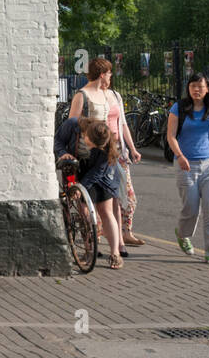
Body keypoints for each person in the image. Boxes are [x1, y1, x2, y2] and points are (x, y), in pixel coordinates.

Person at [67, 57, 143, 251]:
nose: (111, 76)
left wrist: (131, 148)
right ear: (102, 74)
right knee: (90, 200)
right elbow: (72, 124)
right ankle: (93, 243)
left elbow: (121, 123)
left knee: (118, 197)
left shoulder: (114, 96)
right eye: (109, 73)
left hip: (113, 151)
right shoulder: (83, 95)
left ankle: (119, 243)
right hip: (89, 153)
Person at [167, 72, 209, 265]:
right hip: (186, 165)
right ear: (189, 88)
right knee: (191, 209)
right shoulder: (179, 108)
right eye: (193, 86)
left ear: (208, 89)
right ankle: (183, 234)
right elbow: (171, 137)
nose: (196, 90)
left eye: (200, 87)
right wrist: (180, 156)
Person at [54, 114, 124, 268]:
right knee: (84, 212)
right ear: (86, 133)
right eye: (91, 144)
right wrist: (62, 153)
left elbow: (98, 172)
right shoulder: (73, 125)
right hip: (81, 168)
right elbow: (57, 140)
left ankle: (115, 253)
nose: (91, 147)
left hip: (104, 174)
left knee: (106, 211)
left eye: (96, 147)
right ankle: (88, 250)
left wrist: (82, 187)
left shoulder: (106, 142)